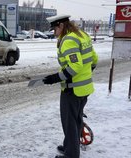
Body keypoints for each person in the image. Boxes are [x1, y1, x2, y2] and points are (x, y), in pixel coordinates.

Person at [44, 15, 98, 158]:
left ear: (61, 25)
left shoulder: (68, 40)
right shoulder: (82, 35)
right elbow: (94, 59)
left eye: (54, 28)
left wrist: (56, 78)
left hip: (72, 90)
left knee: (69, 123)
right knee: (77, 119)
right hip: (85, 88)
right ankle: (69, 146)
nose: (54, 32)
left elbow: (75, 65)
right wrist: (86, 74)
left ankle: (71, 155)